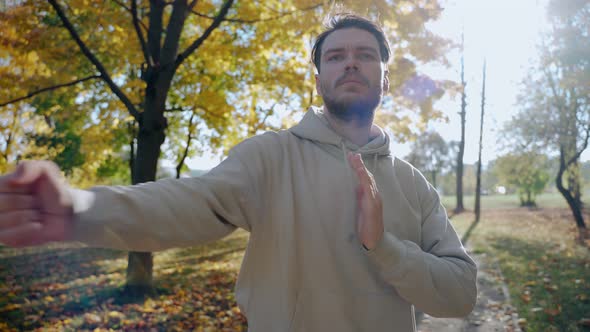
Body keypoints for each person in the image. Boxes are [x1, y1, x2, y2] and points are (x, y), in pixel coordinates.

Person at [0, 13, 476, 332]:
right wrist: (78, 209)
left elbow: (460, 295)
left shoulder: (414, 184)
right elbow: (187, 202)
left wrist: (384, 247)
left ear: (385, 77)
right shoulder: (270, 157)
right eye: (335, 56)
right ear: (318, 78)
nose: (350, 62)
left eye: (365, 54)